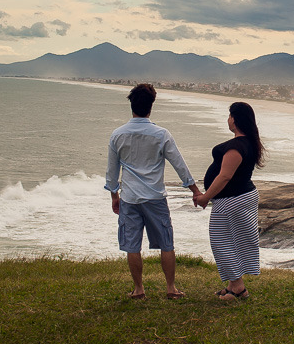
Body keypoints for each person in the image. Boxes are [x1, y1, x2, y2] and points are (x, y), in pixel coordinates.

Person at [105, 83, 202, 300]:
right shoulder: (161, 134)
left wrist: (114, 196)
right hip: (155, 197)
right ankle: (170, 288)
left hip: (129, 198)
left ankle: (139, 289)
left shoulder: (117, 135)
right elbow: (179, 164)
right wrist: (195, 190)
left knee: (132, 245)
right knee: (166, 243)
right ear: (151, 106)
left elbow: (112, 172)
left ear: (131, 105)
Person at [194, 101, 265, 301]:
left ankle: (239, 289)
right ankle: (233, 284)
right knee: (234, 242)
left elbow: (225, 176)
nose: (228, 119)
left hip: (231, 201)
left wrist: (205, 198)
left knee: (221, 243)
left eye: (230, 115)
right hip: (241, 198)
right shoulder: (250, 143)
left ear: (235, 119)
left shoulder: (237, 146)